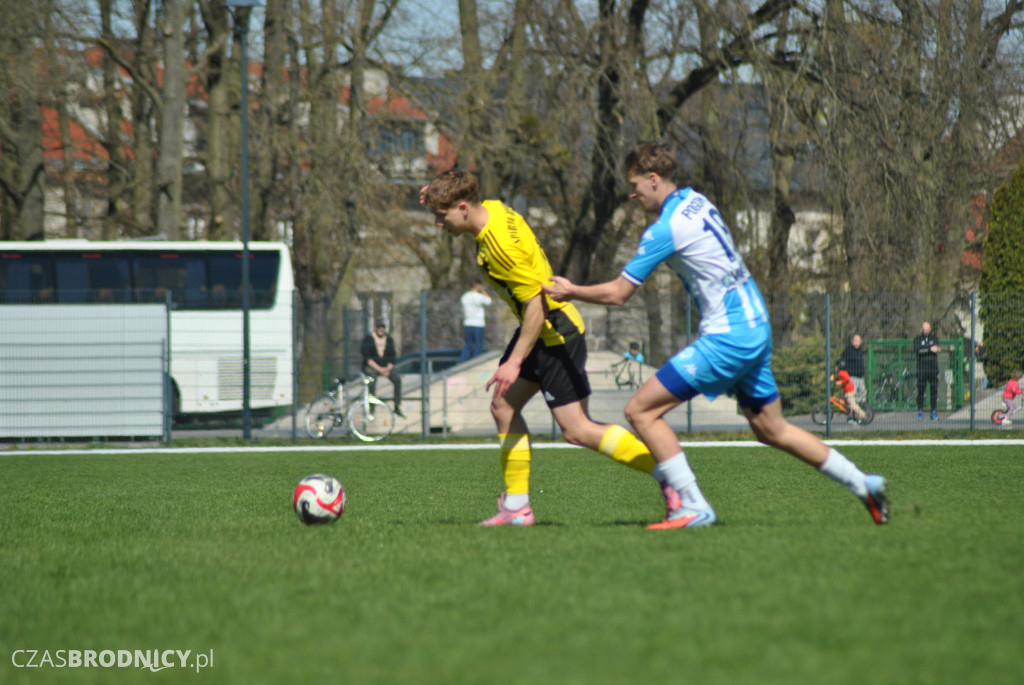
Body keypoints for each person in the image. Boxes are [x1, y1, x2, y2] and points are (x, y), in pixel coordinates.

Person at [543, 140, 890, 528]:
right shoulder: (698, 200)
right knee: (771, 429)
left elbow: (619, 293)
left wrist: (571, 290)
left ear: (654, 179)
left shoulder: (664, 229)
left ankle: (692, 505)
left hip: (729, 335)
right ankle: (863, 483)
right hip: (757, 325)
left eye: (635, 184)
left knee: (640, 410)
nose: (632, 193)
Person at [422, 168, 675, 526]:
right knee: (503, 406)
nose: (437, 223)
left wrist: (513, 362)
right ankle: (517, 507)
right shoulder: (492, 209)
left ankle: (672, 478)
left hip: (554, 331)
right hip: (542, 329)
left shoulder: (500, 247)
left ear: (463, 208)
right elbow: (463, 193)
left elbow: (537, 305)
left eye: (441, 215)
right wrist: (436, 193)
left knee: (577, 430)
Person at [361, 321, 404, 418]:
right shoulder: (368, 339)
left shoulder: (389, 339)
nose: (381, 329)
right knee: (371, 380)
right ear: (375, 328)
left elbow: (393, 357)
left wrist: (388, 368)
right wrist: (380, 370)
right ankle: (371, 407)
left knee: (397, 379)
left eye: (383, 328)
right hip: (373, 367)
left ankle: (397, 405)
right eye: (379, 327)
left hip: (386, 367)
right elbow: (368, 359)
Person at [913, 321, 940, 421]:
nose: (926, 331)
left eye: (928, 329)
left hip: (933, 369)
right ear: (921, 330)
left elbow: (936, 348)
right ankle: (920, 411)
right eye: (925, 330)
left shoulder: (934, 338)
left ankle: (933, 411)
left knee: (934, 391)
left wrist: (928, 349)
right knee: (921, 391)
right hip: (921, 370)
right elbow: (917, 350)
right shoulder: (917, 339)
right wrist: (929, 349)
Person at [459, 280, 492, 362]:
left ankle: (462, 362)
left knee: (468, 345)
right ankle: (475, 362)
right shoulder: (479, 297)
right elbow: (489, 301)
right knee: (478, 345)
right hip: (478, 323)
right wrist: (483, 291)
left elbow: (463, 309)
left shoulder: (465, 296)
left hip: (468, 323)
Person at [840, 333, 866, 402]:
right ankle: (853, 410)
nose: (857, 343)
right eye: (855, 341)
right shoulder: (848, 350)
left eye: (859, 341)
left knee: (862, 394)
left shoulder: (860, 350)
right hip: (852, 377)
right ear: (852, 341)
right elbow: (842, 361)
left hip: (860, 377)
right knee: (852, 396)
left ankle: (860, 408)